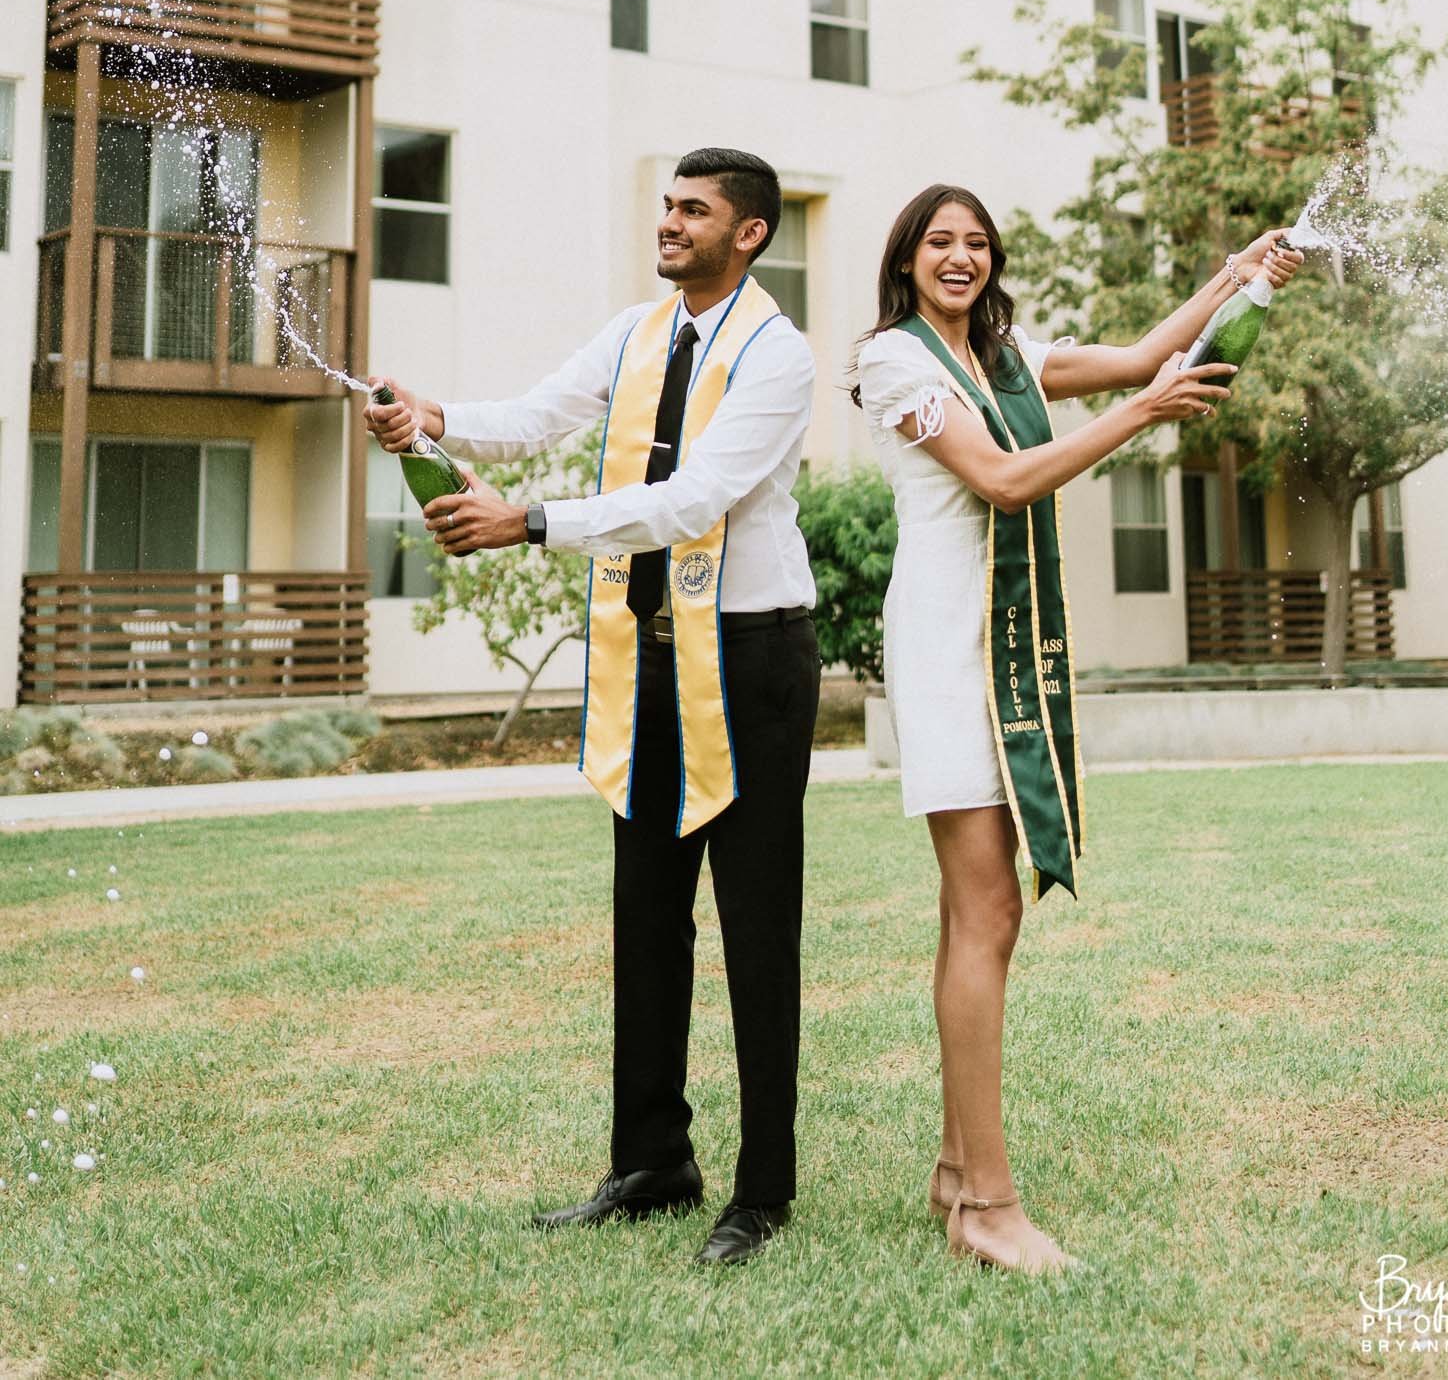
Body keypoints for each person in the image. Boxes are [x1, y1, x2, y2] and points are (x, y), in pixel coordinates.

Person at [367, 148, 820, 1269]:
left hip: (753, 660)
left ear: (748, 232)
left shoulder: (778, 354)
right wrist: (436, 416)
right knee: (645, 914)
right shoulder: (634, 332)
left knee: (756, 927)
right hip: (646, 657)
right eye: (665, 205)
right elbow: (533, 414)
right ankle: (652, 1162)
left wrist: (528, 524)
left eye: (693, 211)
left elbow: (694, 497)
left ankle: (763, 1189)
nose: (668, 223)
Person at [854, 185, 1301, 1273]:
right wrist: (1141, 415)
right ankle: (989, 1206)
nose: (957, 257)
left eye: (974, 243)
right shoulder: (895, 363)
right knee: (984, 902)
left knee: (982, 911)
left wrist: (1234, 276)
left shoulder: (1005, 356)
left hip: (999, 643)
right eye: (937, 242)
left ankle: (959, 1173)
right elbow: (1004, 480)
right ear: (906, 259)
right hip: (946, 643)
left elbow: (1150, 347)